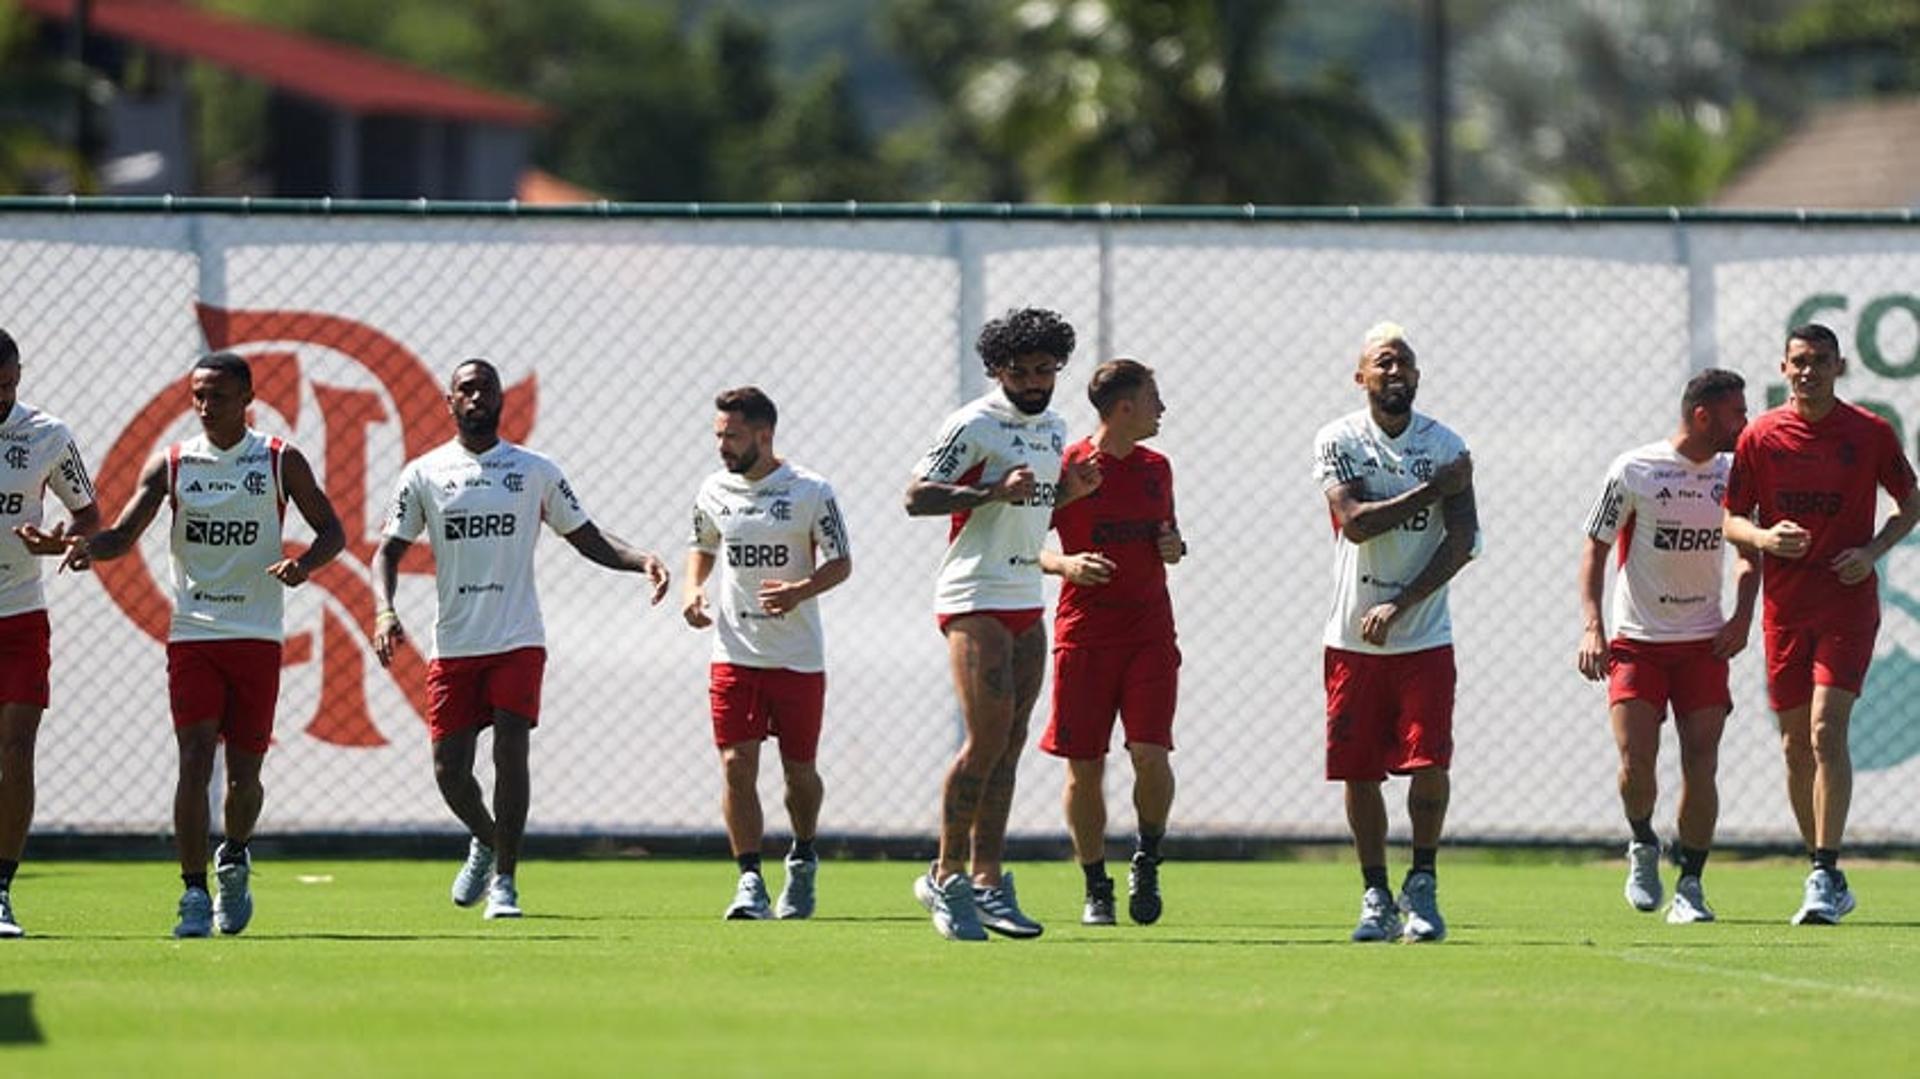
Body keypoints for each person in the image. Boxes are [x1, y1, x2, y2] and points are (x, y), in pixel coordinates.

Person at [372, 359, 669, 921]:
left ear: (501, 400)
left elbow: (586, 536)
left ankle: (505, 881)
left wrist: (641, 560)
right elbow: (387, 550)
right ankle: (486, 839)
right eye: (466, 389)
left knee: (512, 750)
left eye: (486, 388)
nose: (477, 396)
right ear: (450, 402)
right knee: (449, 772)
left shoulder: (533, 470)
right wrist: (385, 611)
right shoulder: (424, 474)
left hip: (517, 638)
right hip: (456, 641)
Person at [62, 351, 344, 938]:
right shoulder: (173, 464)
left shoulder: (277, 460)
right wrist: (88, 547)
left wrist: (304, 565)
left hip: (258, 636)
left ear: (247, 399)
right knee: (193, 757)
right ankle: (192, 893)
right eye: (197, 395)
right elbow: (121, 534)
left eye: (217, 394)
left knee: (244, 777)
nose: (205, 406)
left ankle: (235, 854)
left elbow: (332, 530)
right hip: (194, 633)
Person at [903, 307, 1099, 942]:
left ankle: (988, 881)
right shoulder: (975, 422)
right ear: (996, 369)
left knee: (1010, 745)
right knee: (983, 741)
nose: (1037, 382)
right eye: (1023, 371)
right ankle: (945, 875)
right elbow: (916, 496)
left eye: (1047, 370)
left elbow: (1034, 508)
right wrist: (989, 492)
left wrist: (1071, 490)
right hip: (975, 592)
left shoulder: (1054, 426)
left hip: (1024, 594)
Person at [1721, 324, 1919, 925]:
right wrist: (1764, 536)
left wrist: (1873, 551)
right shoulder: (1760, 436)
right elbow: (1732, 519)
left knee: (1825, 731)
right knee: (1793, 745)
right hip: (1785, 607)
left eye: (1820, 362)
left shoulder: (1869, 432)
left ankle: (1825, 871)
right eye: (1799, 361)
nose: (1809, 371)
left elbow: (1910, 501)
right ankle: (1820, 865)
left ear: (1840, 367)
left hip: (1846, 604)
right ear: (1783, 367)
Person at [1311, 322, 1477, 944]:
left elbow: (1462, 542)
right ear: (1361, 378)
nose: (1396, 371)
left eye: (1405, 362)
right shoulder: (1339, 441)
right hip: (1351, 636)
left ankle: (1424, 884)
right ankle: (1375, 894)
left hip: (1424, 637)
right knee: (1359, 770)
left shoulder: (1447, 444)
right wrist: (1435, 489)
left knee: (1429, 760)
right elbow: (1354, 522)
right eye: (1383, 363)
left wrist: (1404, 605)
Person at [1577, 370, 1758, 924]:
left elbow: (1749, 552)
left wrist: (1742, 617)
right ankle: (1641, 842)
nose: (1745, 423)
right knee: (1636, 762)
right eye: (1736, 413)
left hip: (1704, 644)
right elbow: (1595, 549)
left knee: (1702, 762)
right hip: (1639, 642)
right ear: (1702, 415)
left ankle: (1692, 886)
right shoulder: (1635, 469)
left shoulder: (1735, 473)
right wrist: (1592, 626)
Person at [682, 386, 851, 920]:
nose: (722, 446)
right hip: (734, 652)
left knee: (799, 773)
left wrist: (800, 590)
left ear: (763, 434)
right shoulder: (713, 490)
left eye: (731, 436)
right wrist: (693, 590)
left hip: (797, 657)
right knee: (736, 765)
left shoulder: (809, 490)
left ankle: (802, 857)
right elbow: (703, 544)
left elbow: (841, 561)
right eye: (718, 435)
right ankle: (749, 880)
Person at [1038, 359, 1184, 927]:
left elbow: (1167, 537)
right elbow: (1028, 544)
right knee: (1084, 767)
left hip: (1148, 633)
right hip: (1085, 637)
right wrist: (1066, 564)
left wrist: (1173, 546)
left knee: (1150, 754)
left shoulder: (1157, 468)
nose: (1162, 410)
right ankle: (1095, 882)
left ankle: (1147, 854)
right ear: (1125, 407)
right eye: (1154, 398)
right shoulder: (1069, 464)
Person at [0, 328, 102, 938]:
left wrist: (69, 541)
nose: (2, 396)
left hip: (18, 613)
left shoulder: (47, 435)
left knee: (16, 750)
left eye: (9, 385)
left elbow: (88, 515)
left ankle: (1, 891)